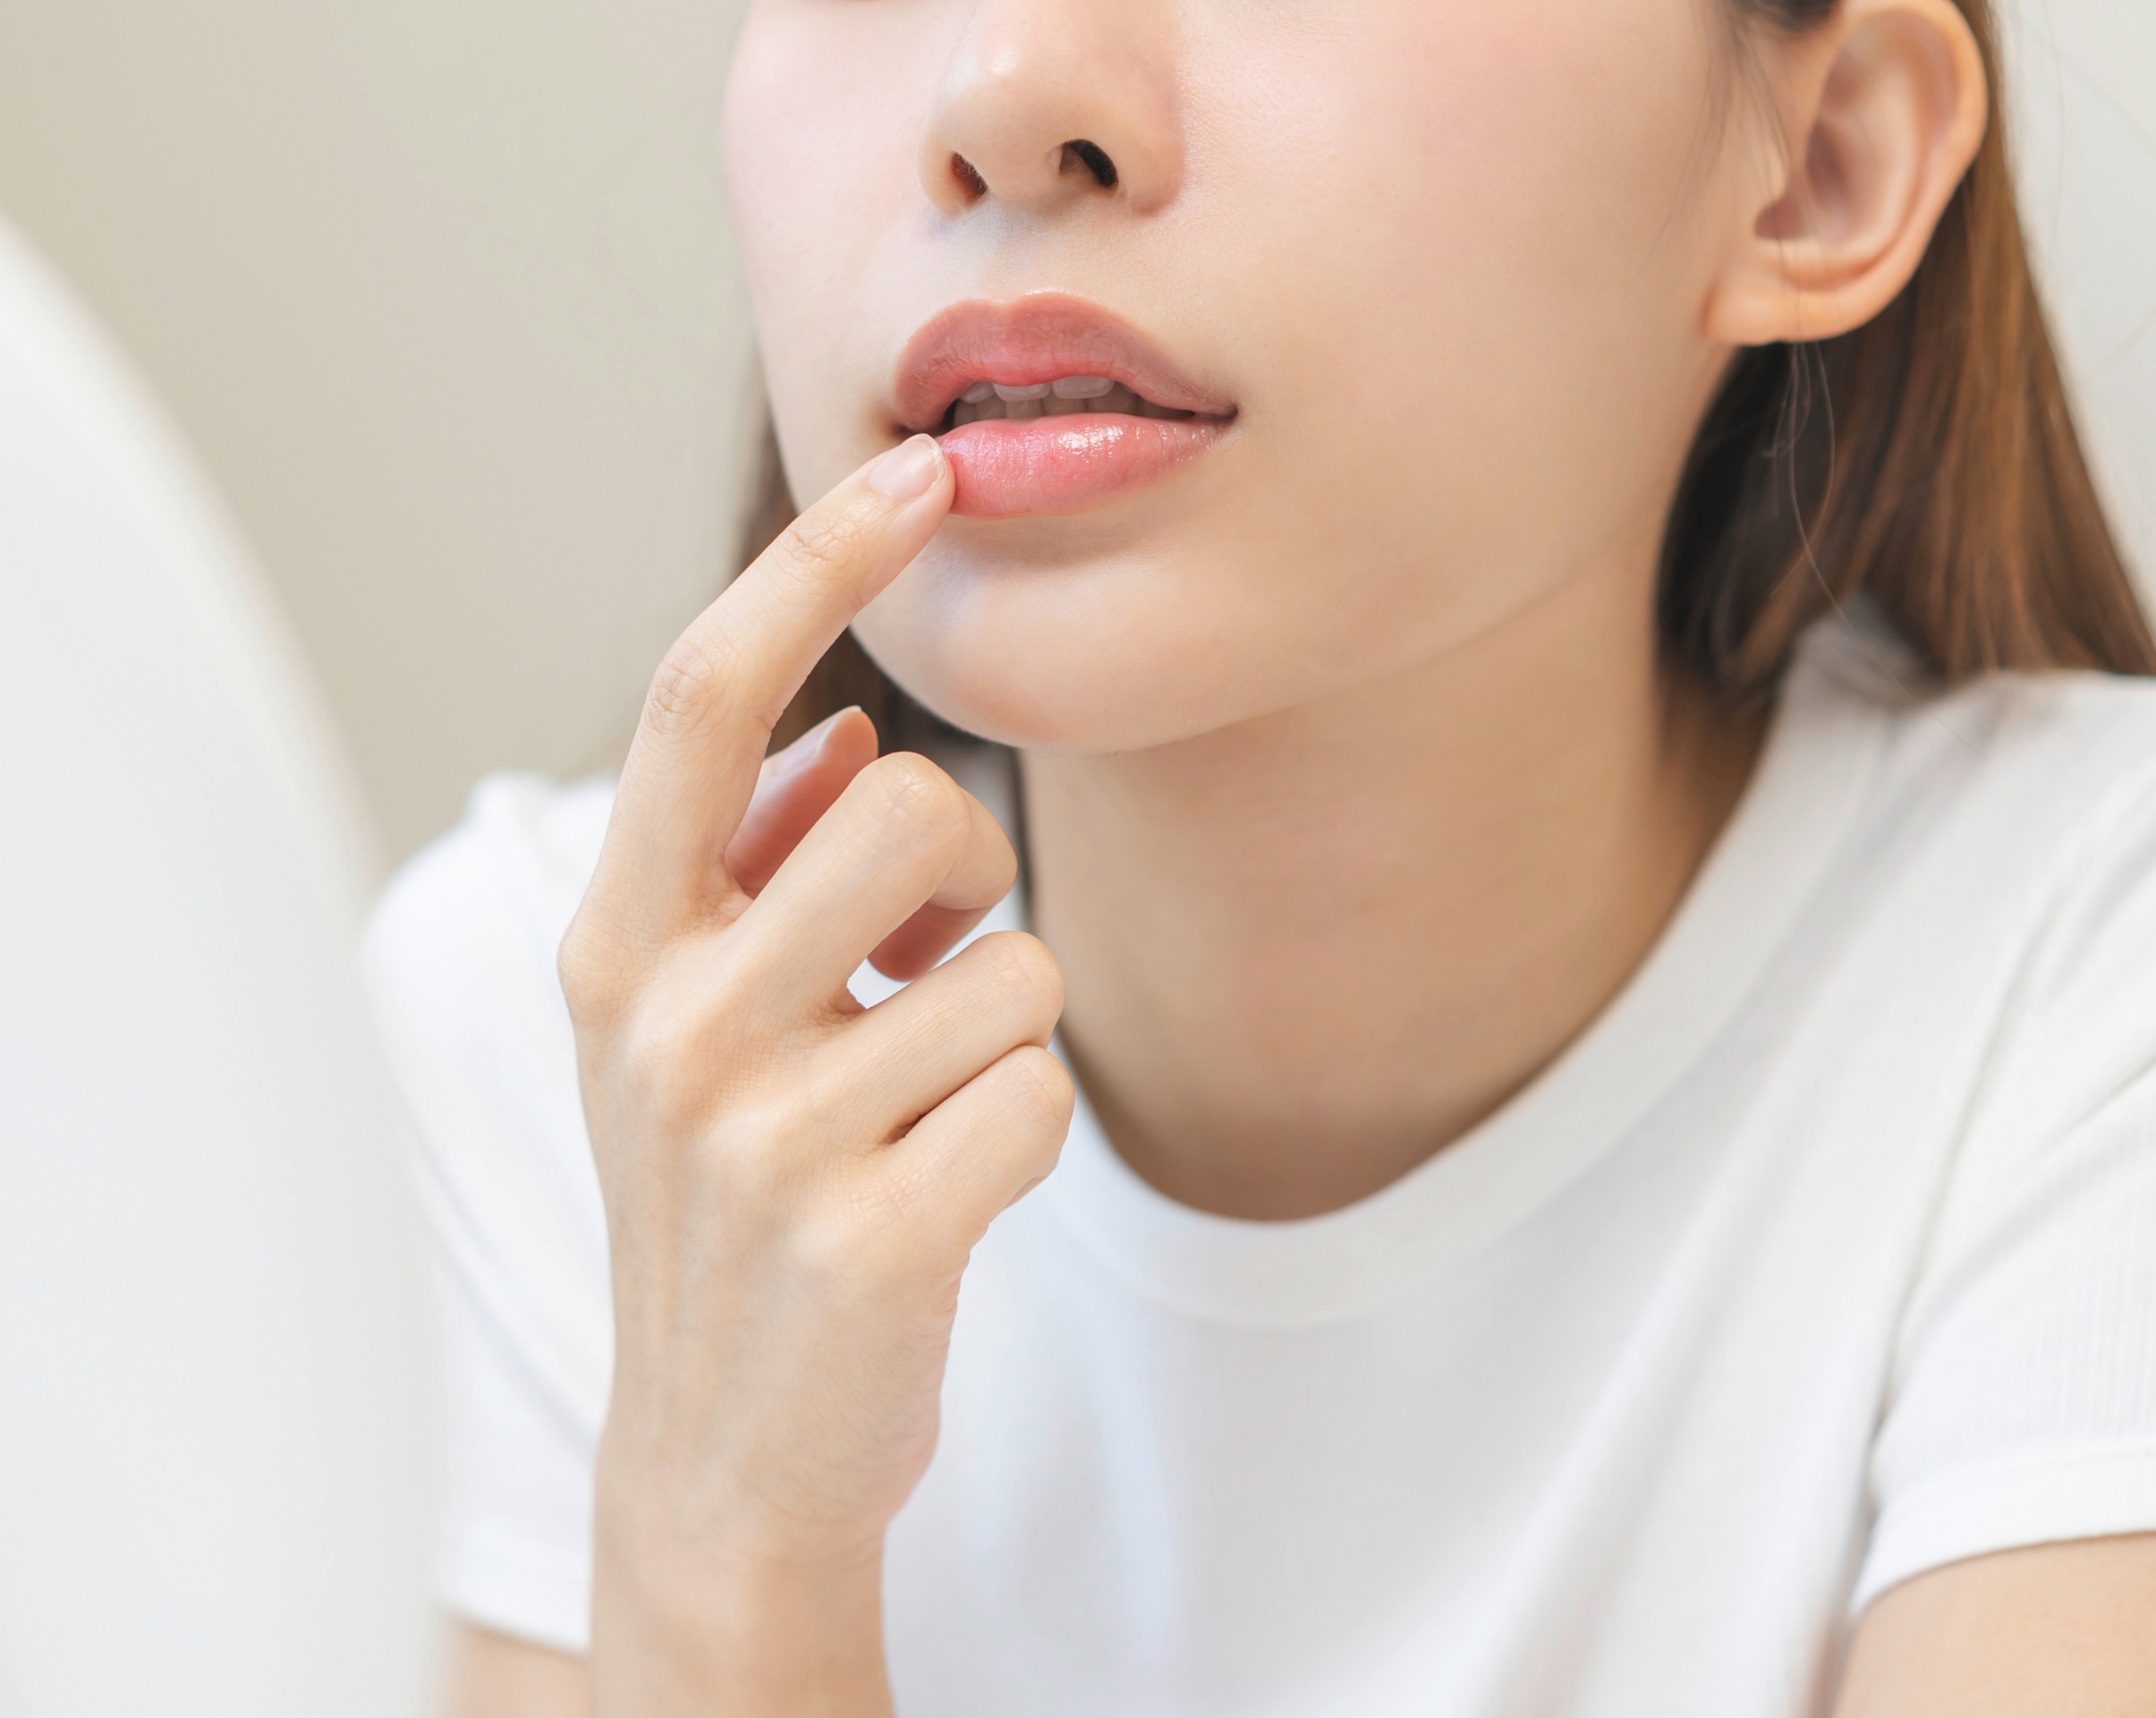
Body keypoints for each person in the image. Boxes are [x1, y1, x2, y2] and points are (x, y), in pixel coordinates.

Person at [362, 0, 2156, 1711]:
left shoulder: (2082, 987)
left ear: (1820, 162)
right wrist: (720, 1553)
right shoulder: (538, 1056)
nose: (1003, 91)